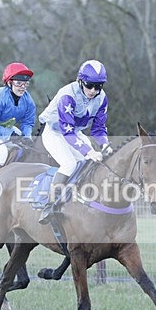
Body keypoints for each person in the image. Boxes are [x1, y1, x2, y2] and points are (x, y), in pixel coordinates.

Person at [37, 59, 113, 224]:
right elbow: (67, 131)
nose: (93, 91)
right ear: (80, 81)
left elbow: (98, 128)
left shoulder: (102, 98)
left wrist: (105, 145)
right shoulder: (67, 96)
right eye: (89, 85)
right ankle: (49, 205)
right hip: (54, 132)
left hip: (75, 132)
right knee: (69, 164)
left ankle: (79, 202)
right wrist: (89, 151)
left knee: (88, 164)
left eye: (98, 87)